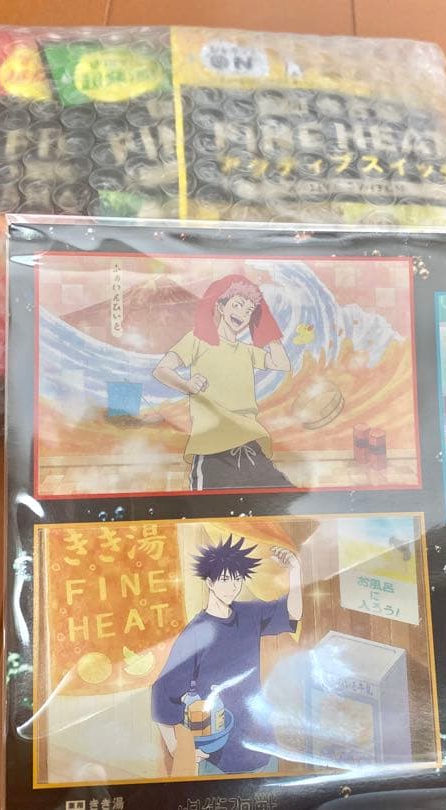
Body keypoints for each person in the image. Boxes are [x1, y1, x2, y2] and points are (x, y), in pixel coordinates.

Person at [151, 535, 303, 775]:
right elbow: (163, 690)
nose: (232, 586)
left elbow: (293, 613)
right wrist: (175, 747)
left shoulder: (249, 614)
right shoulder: (196, 634)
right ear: (209, 582)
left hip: (261, 744)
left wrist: (296, 571)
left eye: (237, 578)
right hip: (218, 755)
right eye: (224, 579)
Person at [153, 275, 293, 490]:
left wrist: (267, 329)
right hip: (213, 449)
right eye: (237, 305)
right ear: (220, 306)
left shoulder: (247, 351)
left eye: (248, 311)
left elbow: (281, 364)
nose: (242, 314)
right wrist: (187, 385)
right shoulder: (198, 340)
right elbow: (162, 370)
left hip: (250, 446)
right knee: (211, 507)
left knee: (281, 500)